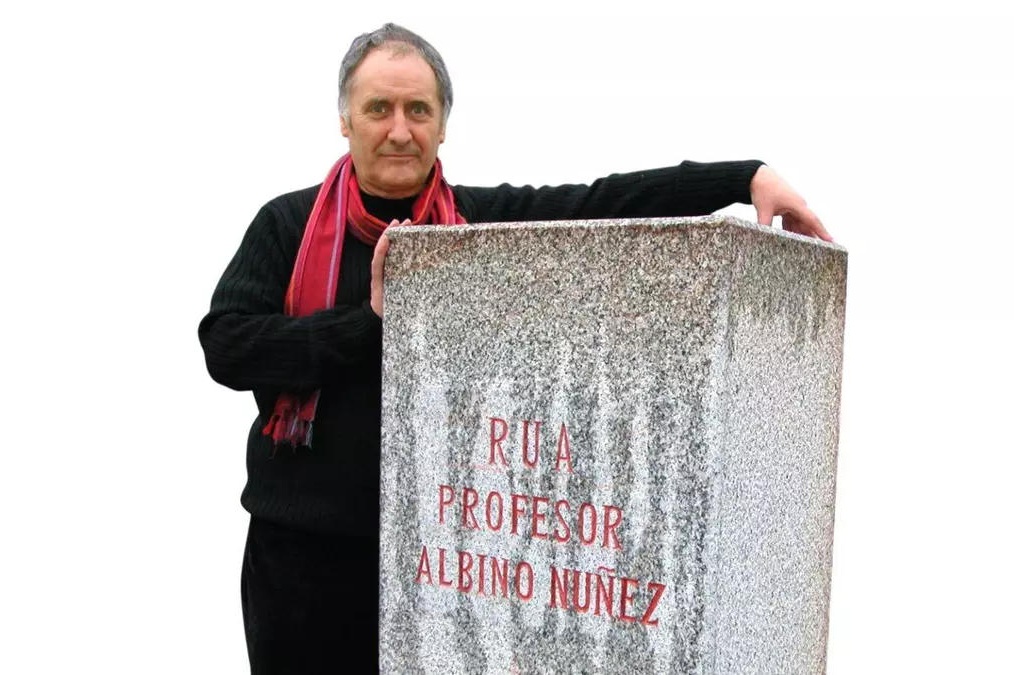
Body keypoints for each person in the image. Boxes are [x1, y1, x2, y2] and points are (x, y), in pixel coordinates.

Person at [197, 21, 832, 675]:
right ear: (345, 119)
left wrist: (745, 177)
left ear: (443, 125)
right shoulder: (288, 225)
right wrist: (371, 320)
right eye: (379, 108)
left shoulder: (472, 227)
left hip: (440, 564)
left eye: (419, 110)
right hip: (303, 562)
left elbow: (599, 202)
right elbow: (227, 345)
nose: (400, 130)